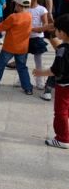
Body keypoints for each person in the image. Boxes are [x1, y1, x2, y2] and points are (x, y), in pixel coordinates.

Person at [33, 14, 69, 149]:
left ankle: (63, 138)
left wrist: (39, 72)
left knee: (61, 112)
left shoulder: (62, 50)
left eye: (57, 30)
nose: (55, 32)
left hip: (64, 86)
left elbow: (55, 70)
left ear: (63, 33)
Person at [0, 0, 33, 94]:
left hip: (9, 47)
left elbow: (1, 27)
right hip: (23, 48)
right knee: (22, 68)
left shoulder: (13, 17)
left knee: (0, 65)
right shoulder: (29, 16)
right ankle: (28, 88)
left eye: (16, 4)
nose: (15, 6)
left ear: (19, 5)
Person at [25, 0, 49, 90]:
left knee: (38, 61)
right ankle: (23, 79)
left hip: (37, 39)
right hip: (25, 38)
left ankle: (40, 82)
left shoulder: (42, 9)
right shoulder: (24, 8)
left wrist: (33, 30)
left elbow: (45, 25)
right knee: (22, 60)